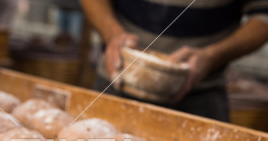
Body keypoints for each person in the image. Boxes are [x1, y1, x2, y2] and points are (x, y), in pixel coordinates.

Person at [82, 0, 268, 121]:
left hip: (200, 97)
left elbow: (263, 16)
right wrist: (112, 33)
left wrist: (212, 56)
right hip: (116, 79)